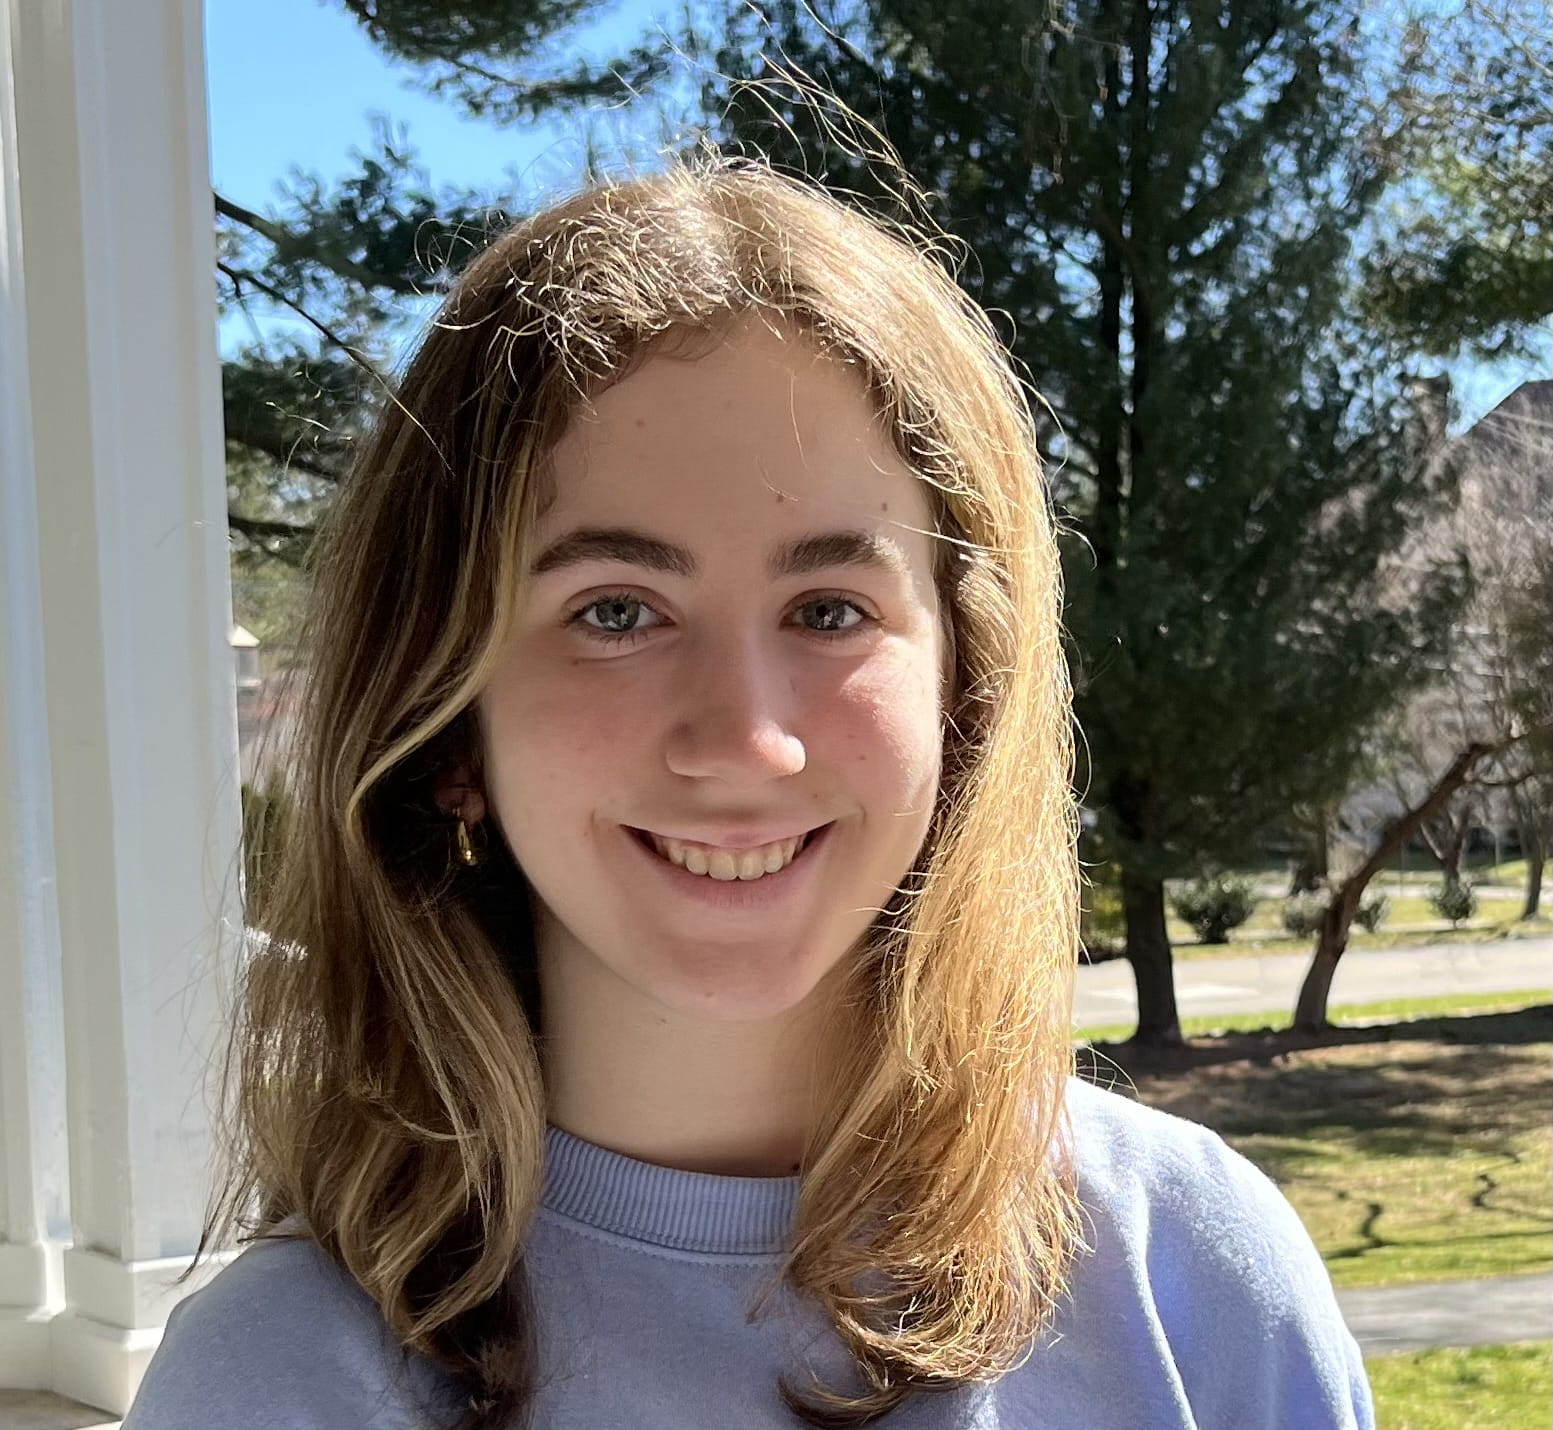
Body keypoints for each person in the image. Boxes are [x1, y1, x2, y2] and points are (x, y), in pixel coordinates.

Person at [124, 159, 1372, 1430]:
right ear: (447, 723)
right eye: (615, 610)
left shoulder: (1194, 1281)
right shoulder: (272, 1382)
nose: (747, 738)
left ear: (965, 694)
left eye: (829, 609)